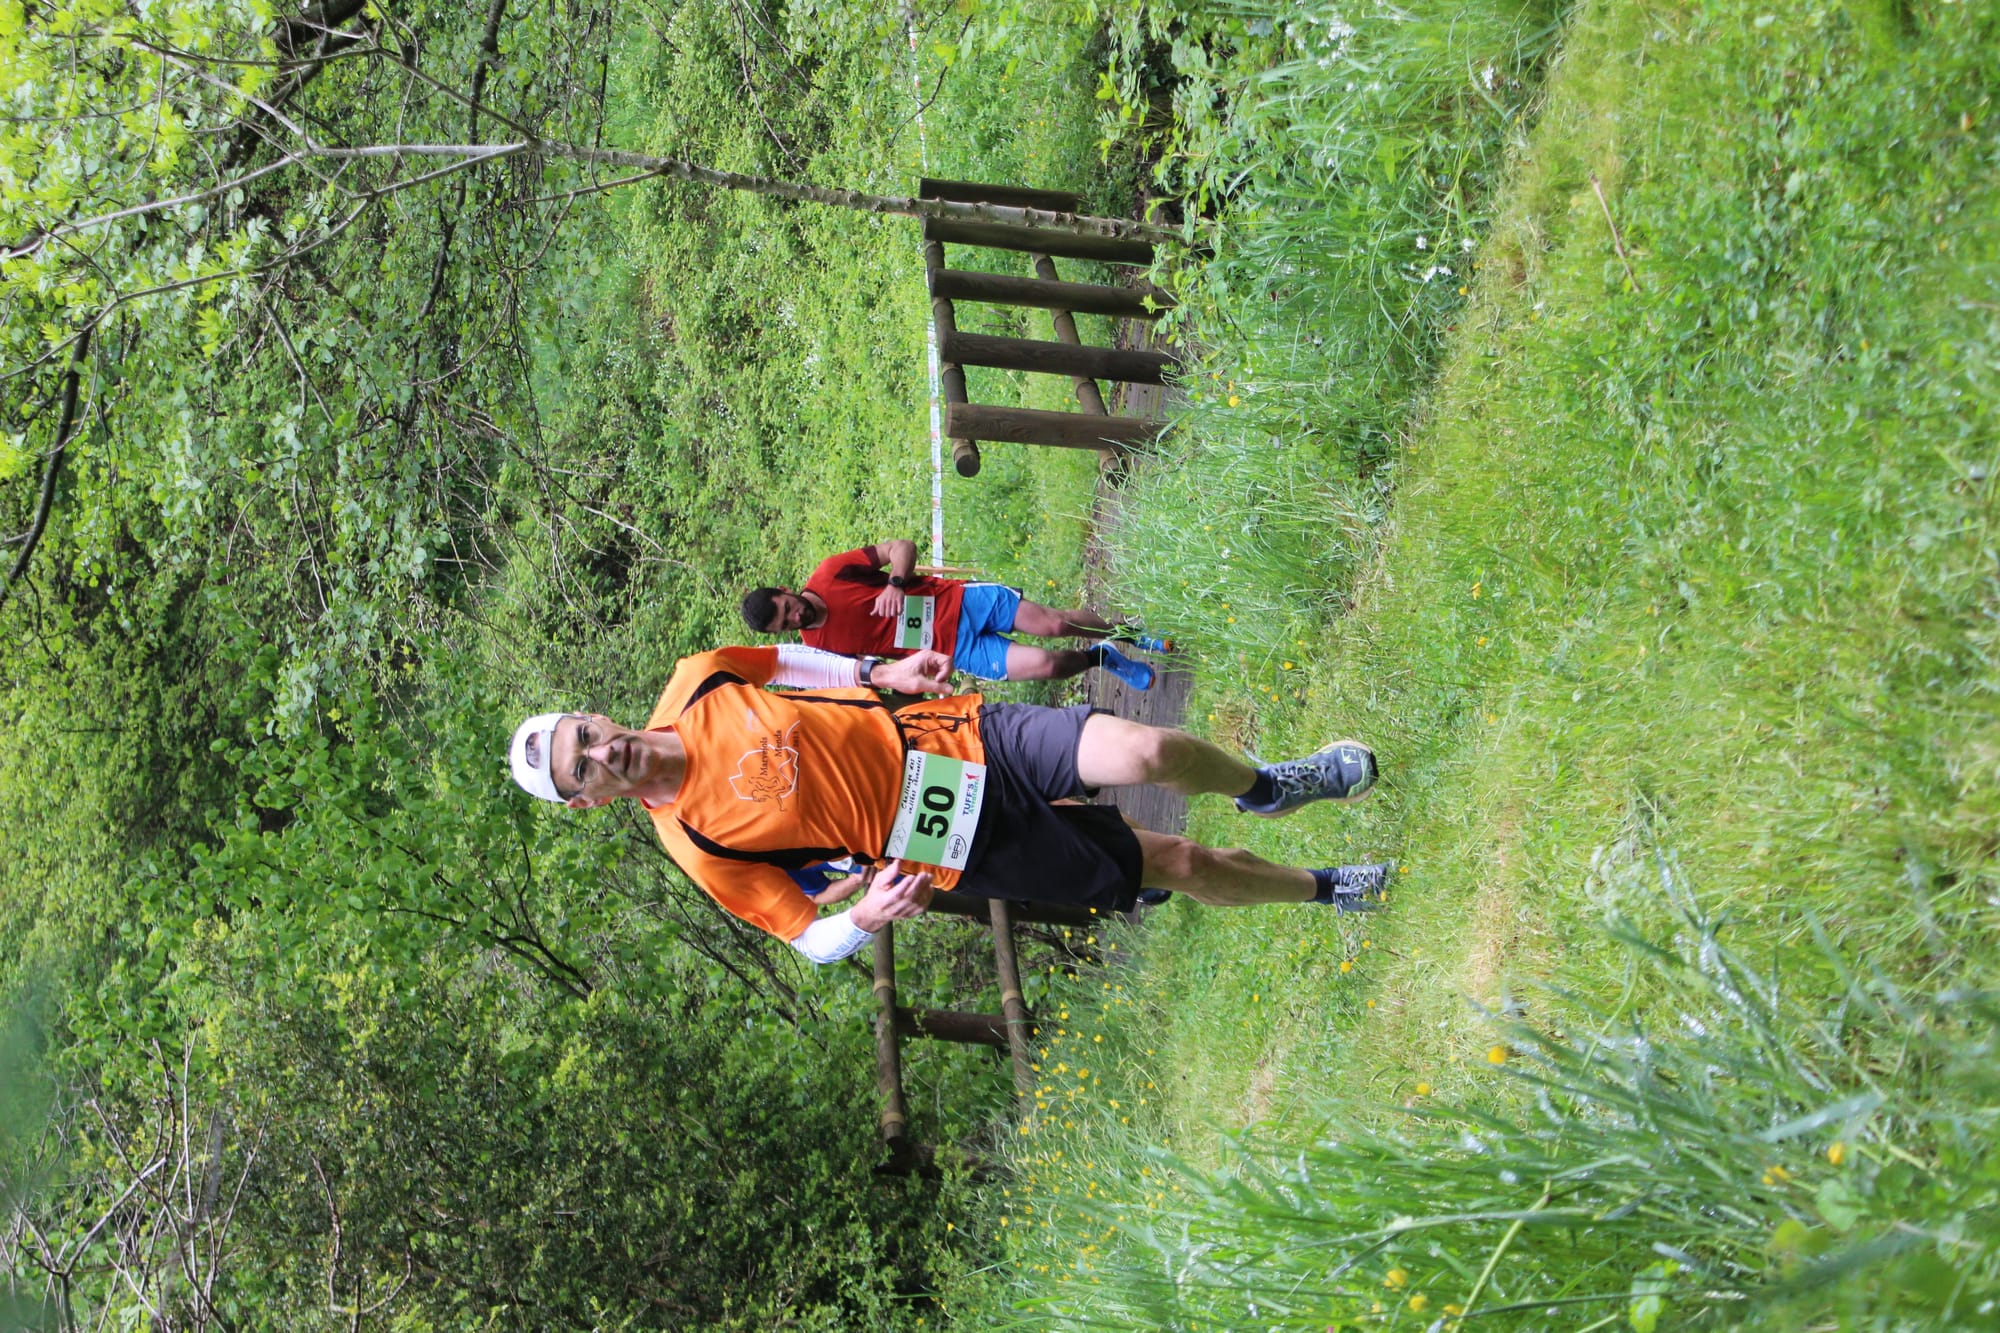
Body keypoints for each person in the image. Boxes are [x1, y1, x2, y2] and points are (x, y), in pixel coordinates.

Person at [508, 644, 1390, 965]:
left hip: (950, 735)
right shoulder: (697, 844)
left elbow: (782, 659)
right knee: (1178, 863)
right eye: (579, 769)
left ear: (594, 713)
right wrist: (865, 914)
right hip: (955, 840)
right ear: (590, 801)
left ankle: (1269, 786)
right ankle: (1330, 888)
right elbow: (807, 939)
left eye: (582, 735)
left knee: (1145, 749)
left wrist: (875, 671)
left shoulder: (697, 681)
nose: (597, 753)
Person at [740, 538, 1164, 690]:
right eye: (787, 624)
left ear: (783, 591)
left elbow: (901, 548)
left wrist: (895, 583)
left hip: (960, 602)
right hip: (948, 649)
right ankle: (1102, 657)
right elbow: (869, 676)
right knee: (1046, 665)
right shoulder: (819, 647)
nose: (796, 617)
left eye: (787, 608)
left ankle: (1127, 631)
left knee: (1055, 623)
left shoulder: (831, 573)